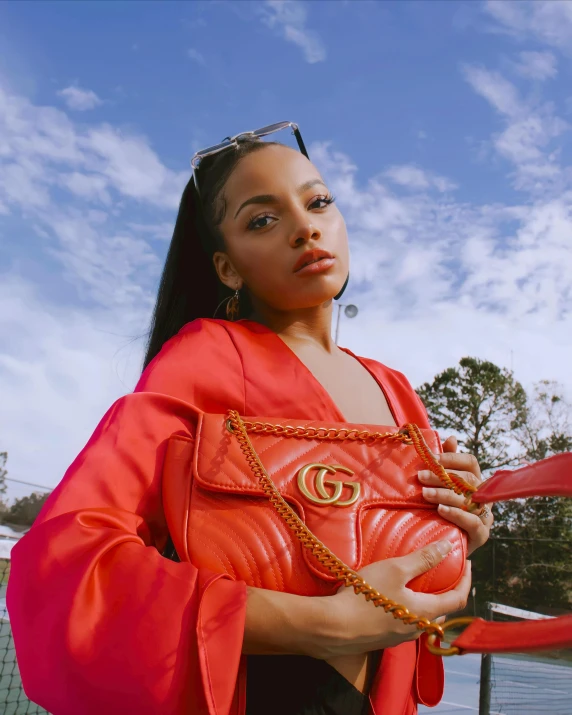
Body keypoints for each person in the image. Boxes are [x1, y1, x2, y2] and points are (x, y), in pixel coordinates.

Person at [7, 123, 492, 715]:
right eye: (262, 220)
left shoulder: (395, 388)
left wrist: (460, 524)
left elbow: (406, 552)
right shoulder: (208, 356)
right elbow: (68, 559)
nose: (306, 227)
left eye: (318, 202)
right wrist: (321, 623)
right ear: (227, 267)